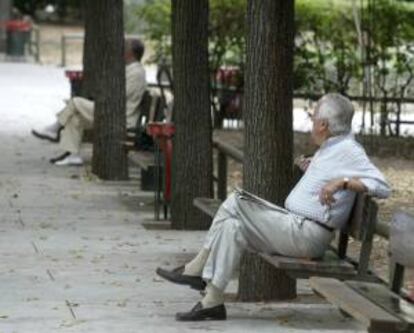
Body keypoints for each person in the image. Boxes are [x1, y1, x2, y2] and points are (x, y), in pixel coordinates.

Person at [156, 93, 391, 321]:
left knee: (237, 200)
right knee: (232, 226)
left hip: (306, 235)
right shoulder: (332, 147)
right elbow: (332, 174)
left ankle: (196, 268)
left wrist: (343, 182)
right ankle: (213, 301)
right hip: (296, 228)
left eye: (313, 117)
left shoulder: (349, 150)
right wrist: (315, 170)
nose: (310, 121)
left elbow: (382, 186)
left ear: (323, 125)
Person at [32, 38, 147, 166]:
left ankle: (54, 129)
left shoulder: (136, 72)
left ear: (130, 53)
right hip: (112, 111)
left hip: (120, 117)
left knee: (75, 102)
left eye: (125, 47)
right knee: (75, 118)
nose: (121, 49)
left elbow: (120, 96)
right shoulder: (130, 69)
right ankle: (73, 156)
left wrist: (104, 94)